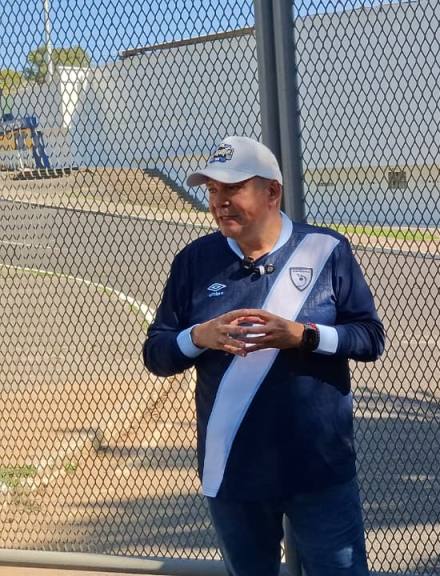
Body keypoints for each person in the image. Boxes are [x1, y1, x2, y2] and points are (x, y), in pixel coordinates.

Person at [142, 136, 385, 576]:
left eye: (231, 189)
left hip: (319, 470)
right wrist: (199, 336)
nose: (219, 202)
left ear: (273, 192)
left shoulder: (326, 251)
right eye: (212, 191)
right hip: (234, 474)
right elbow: (157, 353)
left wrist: (303, 336)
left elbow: (369, 338)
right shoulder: (193, 262)